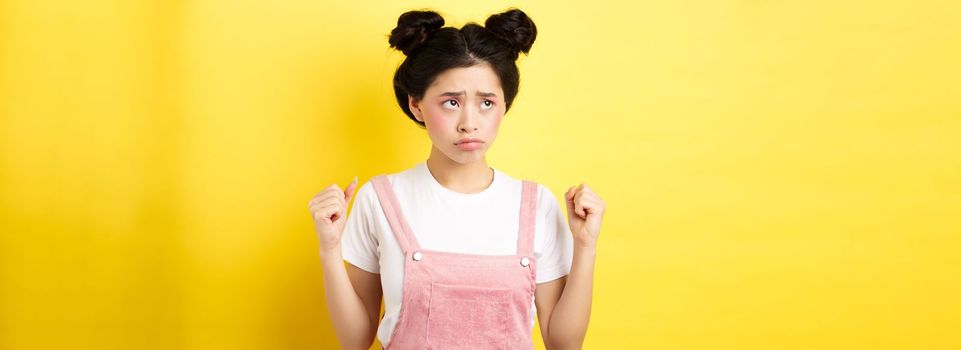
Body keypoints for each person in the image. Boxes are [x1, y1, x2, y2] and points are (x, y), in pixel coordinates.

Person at [307, 8, 606, 349]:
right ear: (416, 105)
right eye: (451, 102)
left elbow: (563, 343)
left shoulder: (536, 205)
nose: (469, 122)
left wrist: (586, 247)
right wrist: (329, 249)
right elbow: (356, 341)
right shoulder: (379, 198)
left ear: (504, 105)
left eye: (486, 103)